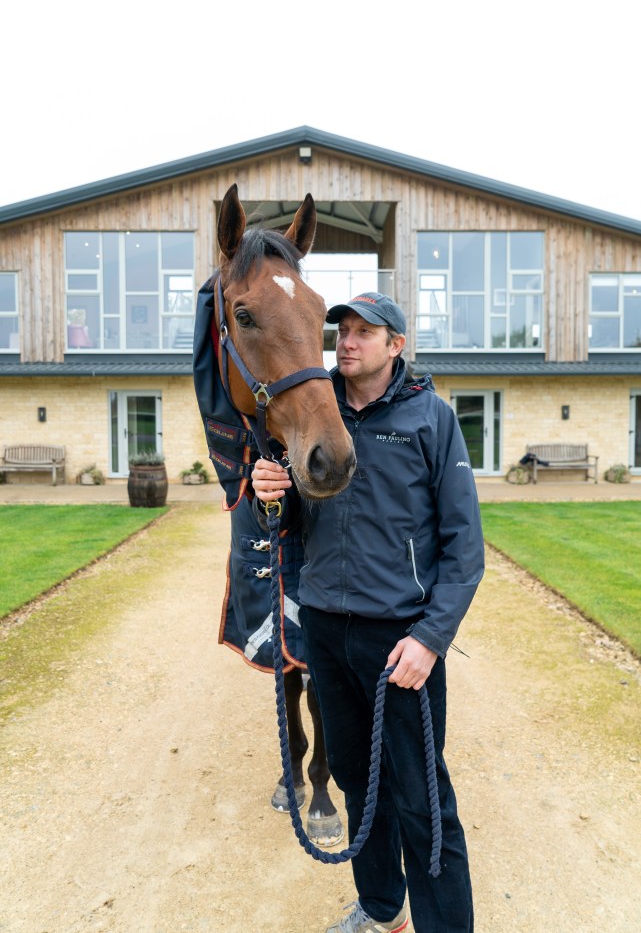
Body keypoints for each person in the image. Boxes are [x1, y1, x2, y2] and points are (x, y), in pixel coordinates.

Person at [251, 292, 484, 933]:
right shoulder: (313, 410)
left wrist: (431, 639)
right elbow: (288, 522)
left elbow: (466, 549)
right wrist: (270, 495)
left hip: (401, 642)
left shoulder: (431, 419)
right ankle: (382, 909)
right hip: (326, 628)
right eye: (342, 331)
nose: (347, 342)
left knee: (421, 797)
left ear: (396, 347)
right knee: (358, 781)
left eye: (364, 332)